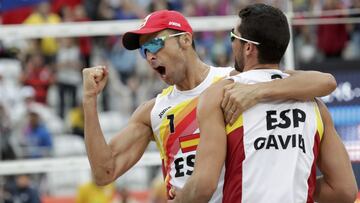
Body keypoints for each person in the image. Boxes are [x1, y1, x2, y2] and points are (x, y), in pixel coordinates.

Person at [82, 10, 337, 202]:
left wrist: (258, 91)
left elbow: (323, 81)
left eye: (155, 44)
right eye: (143, 51)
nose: (150, 56)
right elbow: (105, 172)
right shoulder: (153, 111)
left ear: (185, 40)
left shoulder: (234, 80)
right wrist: (90, 100)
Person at [174, 4, 357, 203]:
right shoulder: (314, 103)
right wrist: (297, 183)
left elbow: (203, 186)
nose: (232, 43)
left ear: (248, 48)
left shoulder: (220, 96)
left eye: (233, 37)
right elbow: (345, 190)